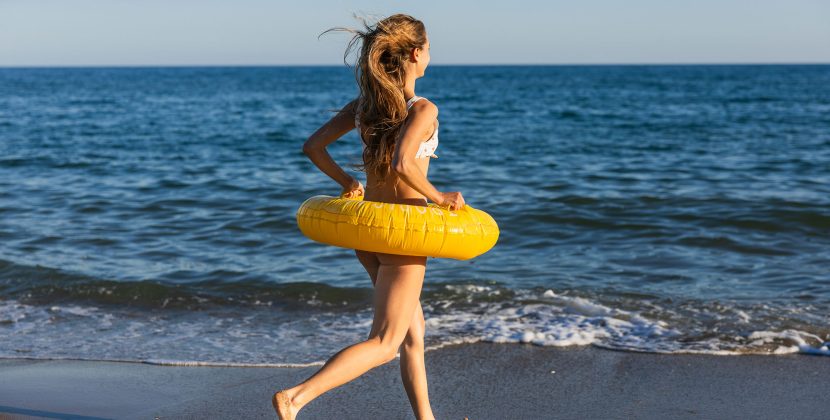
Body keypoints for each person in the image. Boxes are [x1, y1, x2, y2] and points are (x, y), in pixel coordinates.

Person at [272, 13, 464, 420]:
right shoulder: (422, 109)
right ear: (416, 52)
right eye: (428, 48)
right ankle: (295, 398)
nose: (429, 55)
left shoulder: (365, 107)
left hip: (370, 229)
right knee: (385, 341)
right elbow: (403, 164)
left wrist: (347, 182)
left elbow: (313, 146)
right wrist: (440, 197)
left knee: (413, 333)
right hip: (403, 232)